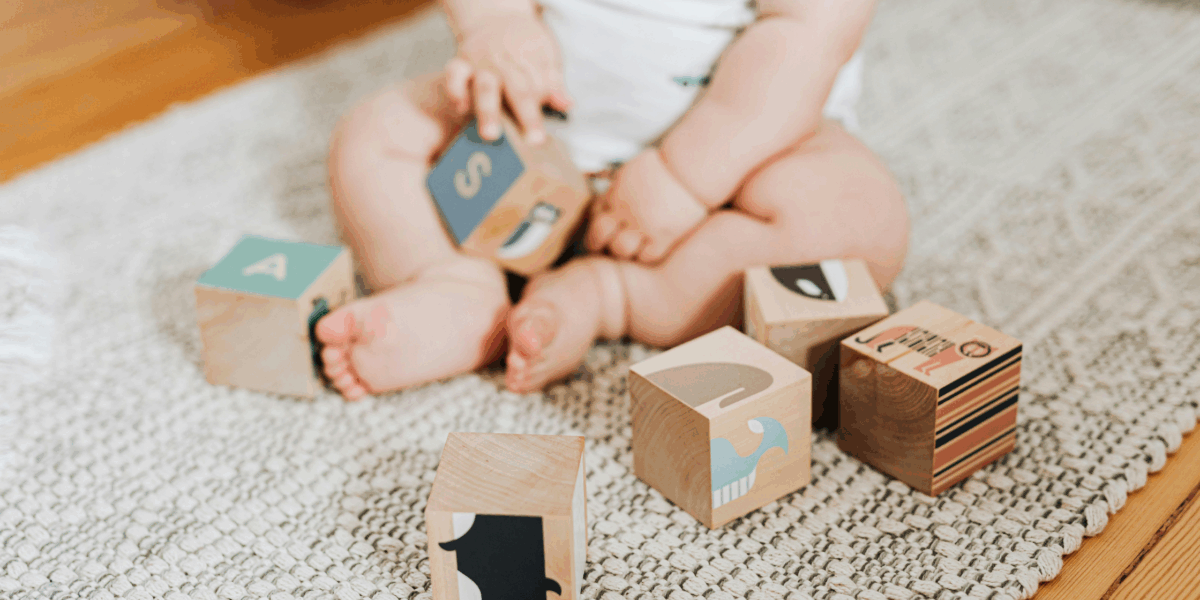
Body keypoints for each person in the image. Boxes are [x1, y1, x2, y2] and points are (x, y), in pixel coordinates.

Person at [315, 0, 909, 399]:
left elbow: (805, 40)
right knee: (374, 137)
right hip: (534, 132)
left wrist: (684, 177)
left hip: (728, 165)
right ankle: (458, 287)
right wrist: (491, 23)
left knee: (857, 222)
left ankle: (613, 295)